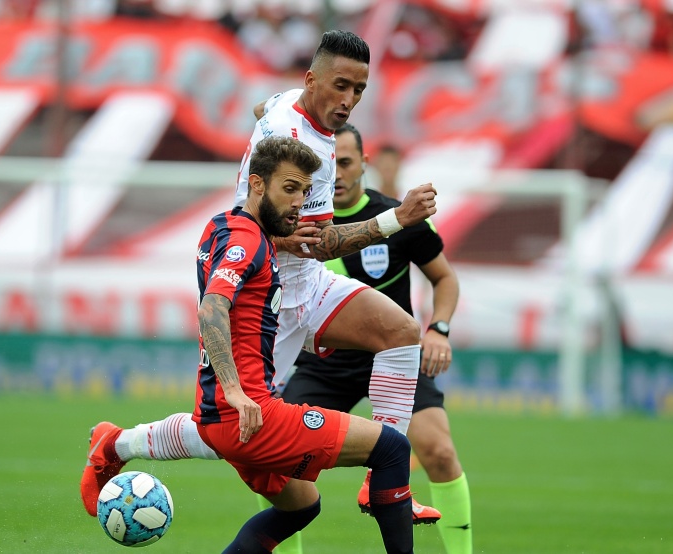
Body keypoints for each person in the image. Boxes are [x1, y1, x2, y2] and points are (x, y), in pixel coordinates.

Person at [80, 28, 442, 525]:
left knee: (402, 331)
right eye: (341, 86)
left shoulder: (292, 103)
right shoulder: (296, 145)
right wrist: (396, 220)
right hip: (268, 296)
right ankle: (118, 442)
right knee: (230, 430)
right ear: (313, 79)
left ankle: (379, 482)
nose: (350, 100)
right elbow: (321, 240)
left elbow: (262, 107)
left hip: (308, 284)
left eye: (359, 89)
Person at [83, 136, 416, 553]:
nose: (299, 203)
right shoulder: (248, 243)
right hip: (254, 419)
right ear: (256, 184)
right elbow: (212, 309)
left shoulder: (222, 225)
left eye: (305, 192)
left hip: (219, 418)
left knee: (301, 507)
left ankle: (118, 443)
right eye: (290, 189)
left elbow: (248, 286)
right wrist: (238, 392)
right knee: (392, 449)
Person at [278, 123, 472, 553]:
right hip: (326, 364)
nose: (339, 173)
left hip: (393, 357)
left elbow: (444, 279)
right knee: (278, 461)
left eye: (346, 162)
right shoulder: (301, 222)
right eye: (331, 164)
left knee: (439, 452)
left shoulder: (396, 214)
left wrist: (439, 329)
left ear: (363, 163)